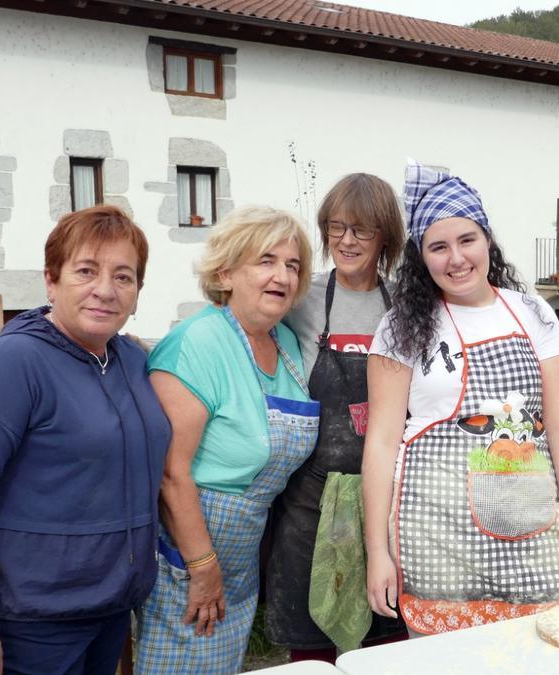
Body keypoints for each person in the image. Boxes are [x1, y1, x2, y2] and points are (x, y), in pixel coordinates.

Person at [0, 205, 170, 675]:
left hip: (110, 608)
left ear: (138, 293)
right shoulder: (13, 365)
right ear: (51, 280)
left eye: (124, 276)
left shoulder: (129, 360)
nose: (105, 289)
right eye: (86, 271)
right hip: (34, 623)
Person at [362, 162, 559, 635]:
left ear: (487, 238)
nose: (456, 259)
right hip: (434, 534)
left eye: (467, 240)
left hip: (533, 532)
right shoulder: (401, 328)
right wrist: (377, 553)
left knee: (546, 650)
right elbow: (382, 442)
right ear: (421, 256)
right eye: (438, 247)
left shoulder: (533, 313)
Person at [135, 206, 319, 674]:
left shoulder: (286, 343)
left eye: (292, 265)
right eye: (266, 260)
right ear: (225, 271)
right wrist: (201, 566)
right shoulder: (197, 343)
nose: (282, 275)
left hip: (241, 557)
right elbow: (170, 474)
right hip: (188, 555)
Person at [267, 174, 407, 659]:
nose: (347, 240)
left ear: (384, 236)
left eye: (362, 230)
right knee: (312, 657)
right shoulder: (301, 296)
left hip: (387, 506)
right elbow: (239, 325)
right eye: (337, 227)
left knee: (386, 653)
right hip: (309, 505)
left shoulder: (406, 308)